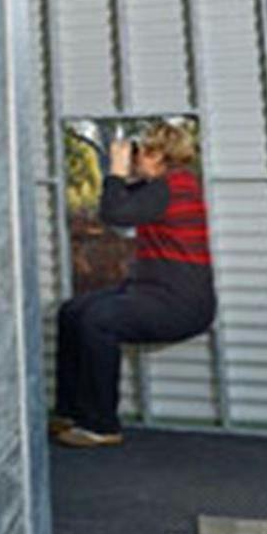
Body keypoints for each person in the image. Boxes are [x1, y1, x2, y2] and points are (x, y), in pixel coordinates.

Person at [52, 119, 215, 448]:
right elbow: (124, 200)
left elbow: (115, 213)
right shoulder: (171, 185)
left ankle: (101, 425)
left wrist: (114, 171)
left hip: (179, 303)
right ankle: (70, 412)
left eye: (141, 152)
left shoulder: (169, 188)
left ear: (157, 155)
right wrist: (123, 176)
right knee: (72, 311)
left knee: (98, 320)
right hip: (154, 291)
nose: (137, 158)